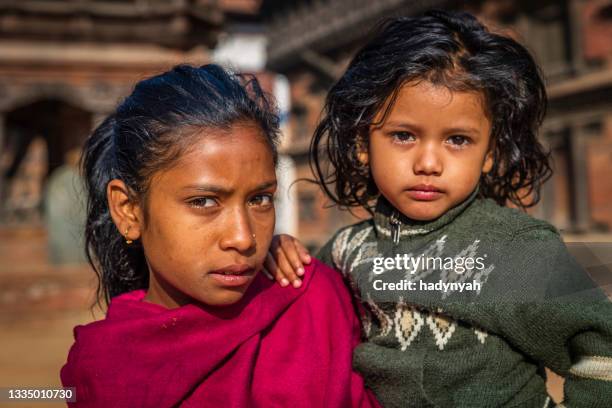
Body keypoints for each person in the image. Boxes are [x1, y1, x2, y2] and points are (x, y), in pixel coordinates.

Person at [269, 10, 612, 407]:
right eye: (403, 135)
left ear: (490, 153)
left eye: (458, 140)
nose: (428, 163)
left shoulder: (516, 249)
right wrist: (283, 259)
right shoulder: (346, 251)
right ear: (363, 144)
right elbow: (308, 322)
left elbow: (601, 345)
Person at [60, 64, 379, 408]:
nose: (243, 239)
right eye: (204, 202)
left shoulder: (312, 299)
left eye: (260, 199)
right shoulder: (103, 366)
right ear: (128, 210)